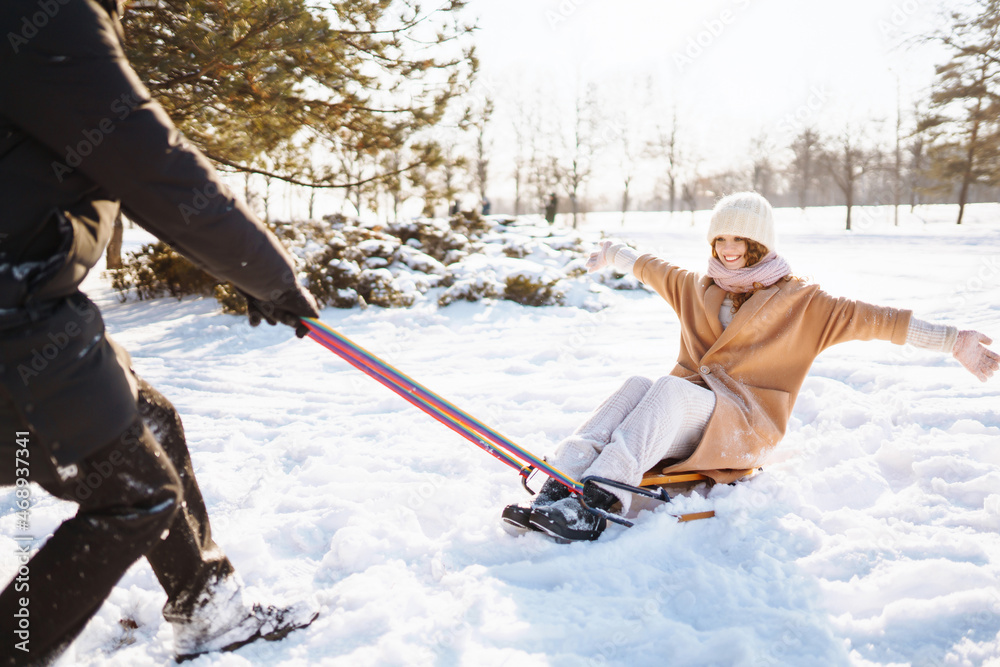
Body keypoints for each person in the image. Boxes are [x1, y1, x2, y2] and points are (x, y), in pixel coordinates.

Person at [0, 0, 322, 663]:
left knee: (152, 423)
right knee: (134, 492)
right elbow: (146, 157)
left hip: (29, 298)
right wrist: (267, 275)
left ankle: (207, 603)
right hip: (16, 309)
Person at [503, 192, 999, 543]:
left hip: (742, 423)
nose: (728, 249)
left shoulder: (804, 303)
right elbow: (652, 267)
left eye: (740, 240)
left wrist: (953, 340)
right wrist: (615, 253)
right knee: (639, 383)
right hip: (690, 416)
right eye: (720, 239)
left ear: (760, 244)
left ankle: (596, 505)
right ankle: (556, 488)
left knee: (669, 391)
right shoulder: (701, 286)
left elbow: (876, 319)